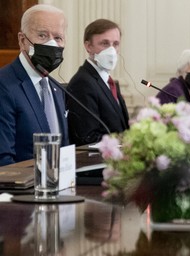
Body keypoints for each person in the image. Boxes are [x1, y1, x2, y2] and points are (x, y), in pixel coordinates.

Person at [0, 4, 69, 166]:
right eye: (43, 35)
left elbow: (63, 148)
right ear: (22, 40)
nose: (52, 44)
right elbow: (3, 160)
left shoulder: (57, 88)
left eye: (58, 38)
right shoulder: (4, 85)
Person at [67, 19, 129, 145]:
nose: (111, 51)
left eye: (115, 44)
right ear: (88, 46)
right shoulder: (83, 83)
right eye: (105, 44)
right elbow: (87, 137)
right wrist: (123, 142)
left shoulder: (109, 81)